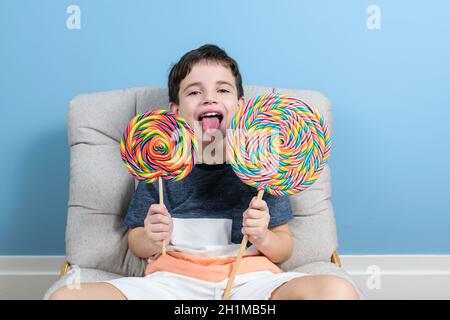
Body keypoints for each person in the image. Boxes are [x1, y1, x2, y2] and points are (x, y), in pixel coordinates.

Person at [50, 44, 358, 300]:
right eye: (194, 92)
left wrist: (263, 235)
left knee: (337, 291)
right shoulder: (159, 167)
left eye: (221, 90)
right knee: (66, 297)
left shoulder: (265, 163)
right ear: (175, 111)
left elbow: (283, 247)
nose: (209, 97)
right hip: (169, 285)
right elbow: (137, 241)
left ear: (240, 106)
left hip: (250, 285)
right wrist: (151, 235)